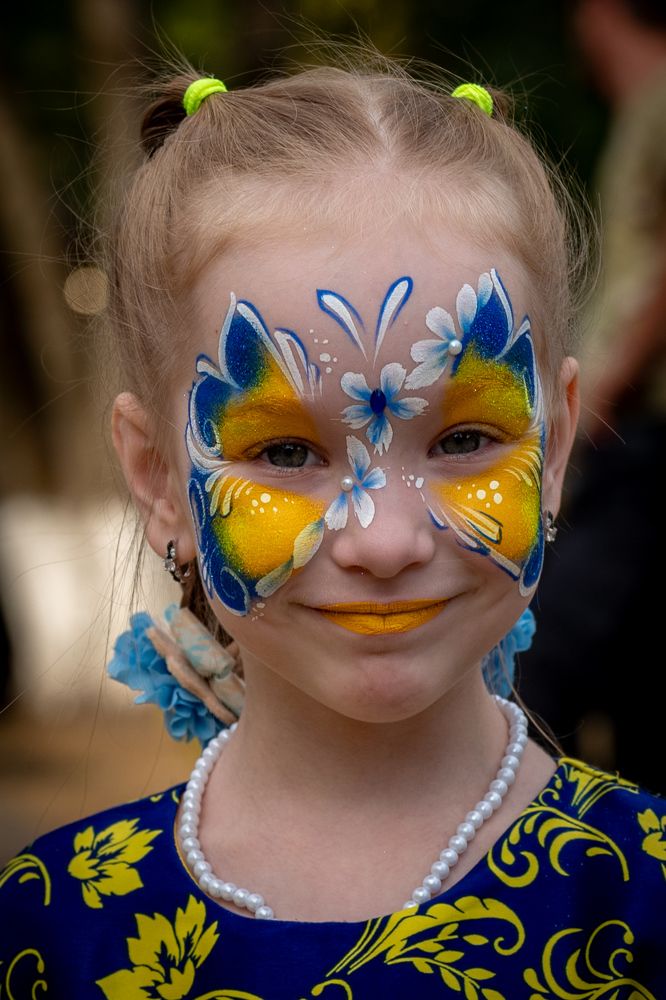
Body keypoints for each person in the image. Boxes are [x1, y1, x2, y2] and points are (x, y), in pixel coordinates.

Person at [0, 55, 664, 999]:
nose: (385, 542)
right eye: (283, 452)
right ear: (158, 479)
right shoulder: (50, 930)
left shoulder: (643, 898)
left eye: (465, 439)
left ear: (554, 448)